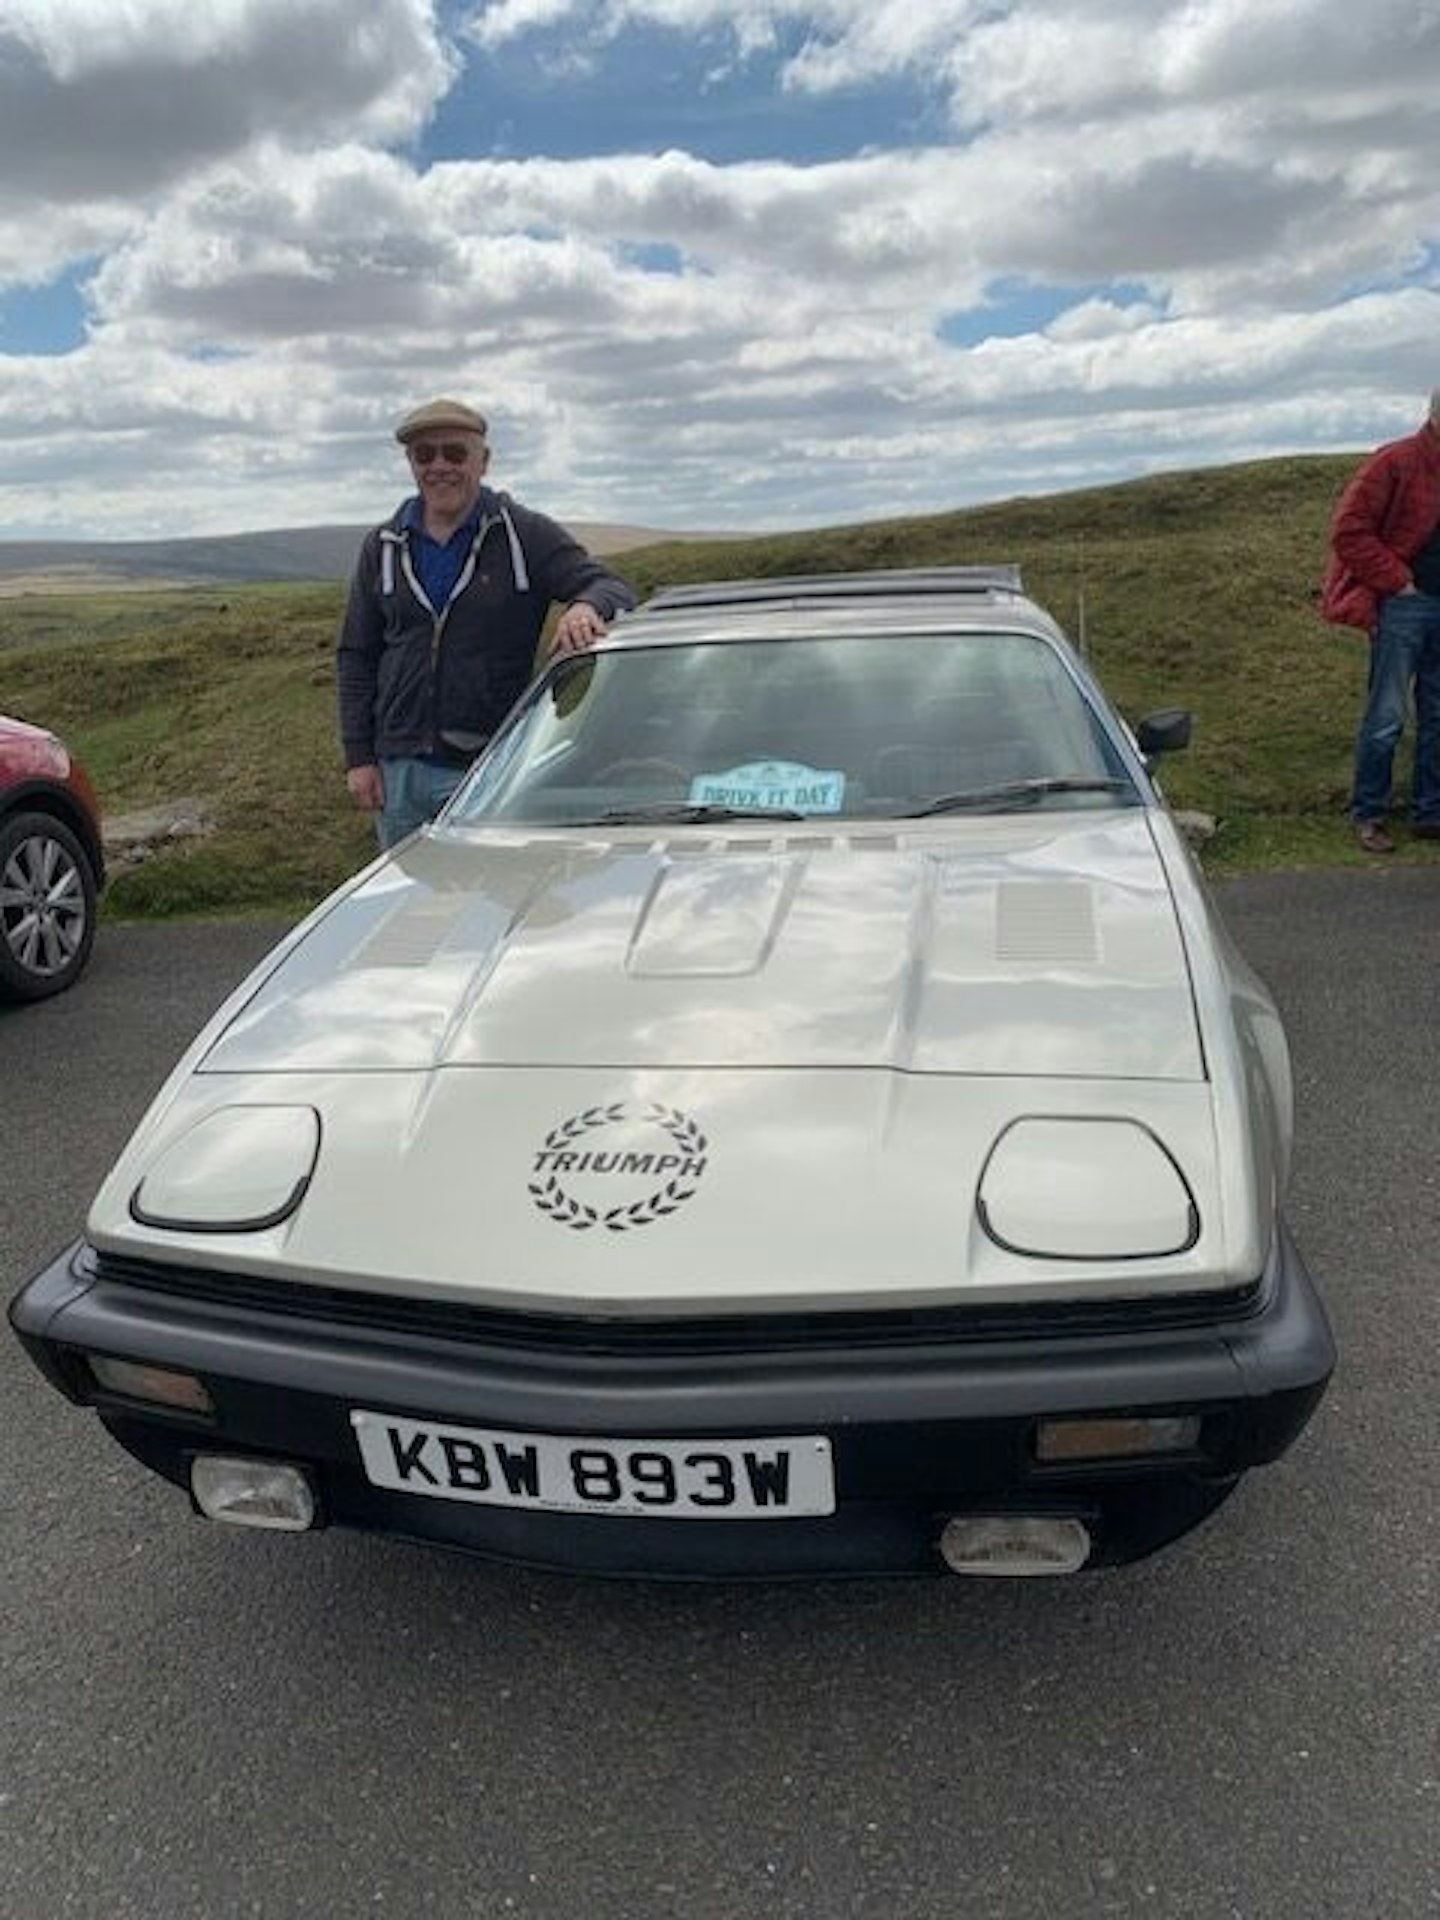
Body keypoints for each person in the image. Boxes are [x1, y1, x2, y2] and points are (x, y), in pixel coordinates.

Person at [337, 397, 635, 846]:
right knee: (410, 910)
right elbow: (357, 655)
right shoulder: (381, 545)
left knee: (494, 901)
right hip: (399, 773)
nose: (439, 466)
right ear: (411, 464)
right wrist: (359, 758)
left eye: (455, 453)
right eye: (424, 454)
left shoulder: (524, 533)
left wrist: (585, 606)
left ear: (484, 461)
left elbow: (609, 585)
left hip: (493, 768)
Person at [1320, 388, 1440, 853]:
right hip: (1404, 606)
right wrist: (1398, 581)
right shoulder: (1396, 461)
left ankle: (1430, 813)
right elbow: (1348, 530)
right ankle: (1369, 813)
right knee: (1387, 714)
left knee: (1437, 714)